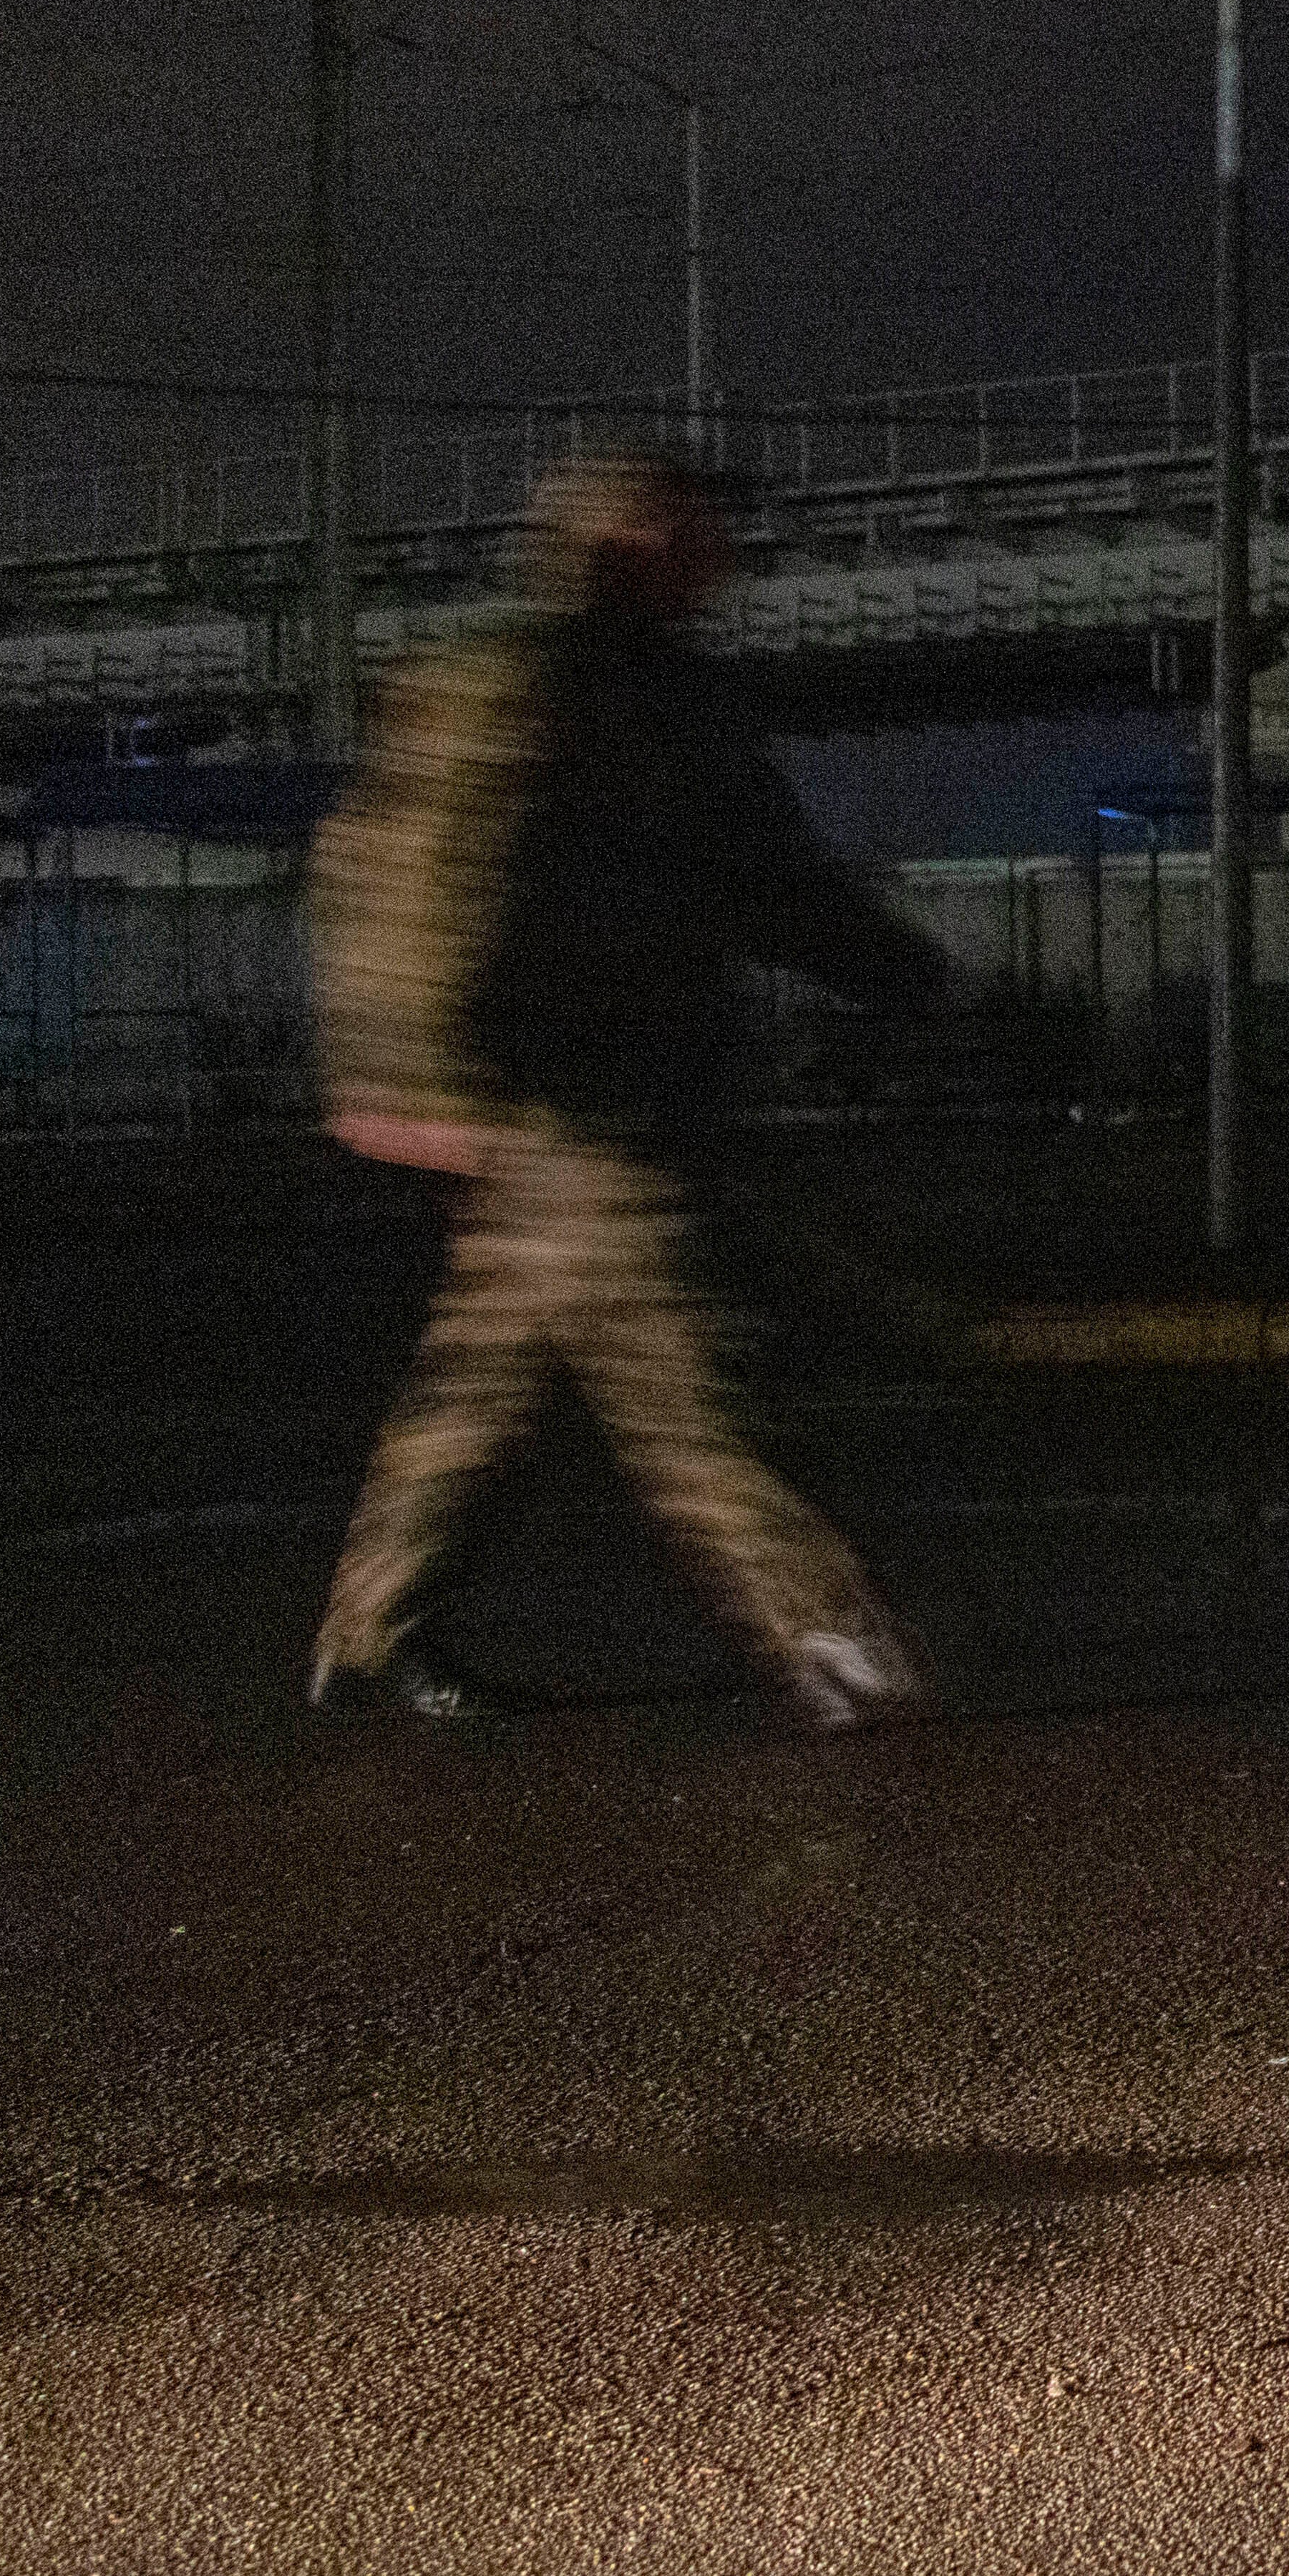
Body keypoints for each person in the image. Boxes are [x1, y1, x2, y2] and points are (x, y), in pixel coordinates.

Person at [303, 449, 953, 1727]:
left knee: (486, 1391)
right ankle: (830, 1641)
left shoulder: (653, 693)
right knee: (688, 1369)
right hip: (568, 1101)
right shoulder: (532, 688)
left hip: (604, 1090)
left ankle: (375, 1630)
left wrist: (890, 967)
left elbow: (761, 872)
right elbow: (418, 888)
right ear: (632, 542)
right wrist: (434, 1093)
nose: (724, 562)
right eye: (698, 535)